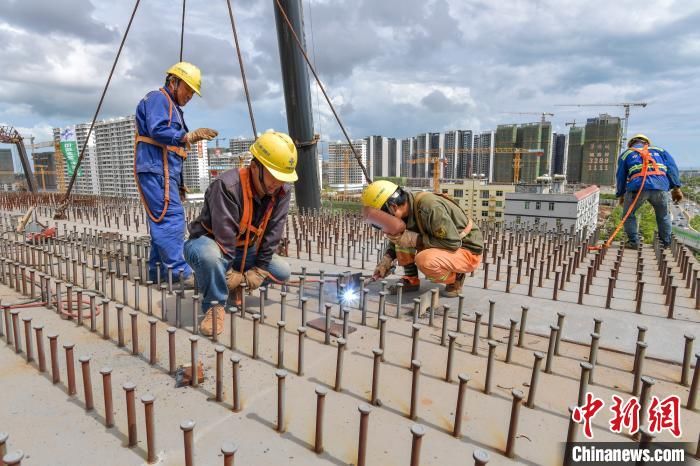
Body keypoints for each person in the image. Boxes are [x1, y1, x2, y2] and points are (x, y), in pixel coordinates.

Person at [185, 131, 297, 335]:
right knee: (210, 258)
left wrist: (261, 269)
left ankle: (227, 281)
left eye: (283, 177)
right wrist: (227, 272)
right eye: (274, 175)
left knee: (282, 271)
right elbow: (224, 235)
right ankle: (214, 304)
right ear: (255, 167)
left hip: (245, 251)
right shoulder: (228, 186)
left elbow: (273, 232)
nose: (278, 183)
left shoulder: (282, 191)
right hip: (210, 245)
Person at [134, 62, 218, 288]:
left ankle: (159, 272)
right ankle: (181, 271)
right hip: (156, 169)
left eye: (193, 92)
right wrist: (187, 137)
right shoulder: (159, 98)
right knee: (171, 219)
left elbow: (172, 151)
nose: (190, 95)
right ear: (173, 82)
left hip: (162, 171)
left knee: (162, 220)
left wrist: (178, 183)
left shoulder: (171, 105)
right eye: (188, 89)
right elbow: (158, 130)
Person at [362, 180, 484, 297]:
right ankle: (411, 278)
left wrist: (414, 240)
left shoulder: (429, 207)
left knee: (425, 261)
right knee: (401, 237)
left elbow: (452, 243)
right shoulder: (406, 211)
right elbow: (399, 238)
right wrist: (387, 259)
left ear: (393, 207)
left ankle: (455, 277)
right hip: (445, 243)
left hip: (466, 249)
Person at [615, 134, 682, 248]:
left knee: (628, 214)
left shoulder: (627, 154)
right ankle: (665, 243)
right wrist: (676, 188)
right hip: (660, 187)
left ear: (631, 144)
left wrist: (621, 194)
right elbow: (672, 169)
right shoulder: (660, 151)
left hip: (637, 188)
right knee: (663, 216)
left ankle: (633, 242)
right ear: (647, 143)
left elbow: (620, 176)